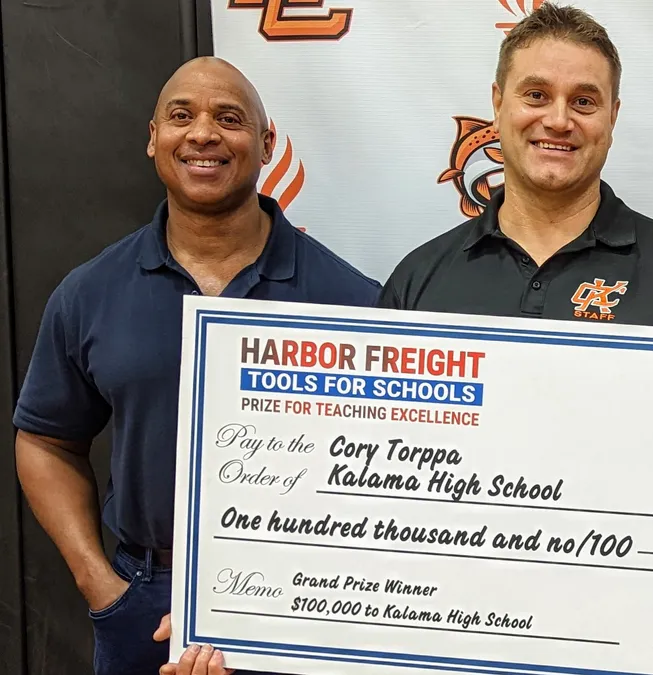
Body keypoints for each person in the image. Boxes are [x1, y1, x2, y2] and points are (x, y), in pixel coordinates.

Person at [12, 56, 381, 675]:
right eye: (181, 116)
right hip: (143, 596)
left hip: (305, 605)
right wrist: (102, 588)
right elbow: (45, 440)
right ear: (154, 137)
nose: (203, 133)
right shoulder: (90, 292)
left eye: (228, 118)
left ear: (266, 143)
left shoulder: (352, 300)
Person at [377, 3, 653, 332]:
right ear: (498, 106)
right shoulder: (418, 280)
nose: (559, 120)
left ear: (612, 117)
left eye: (583, 101)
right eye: (536, 95)